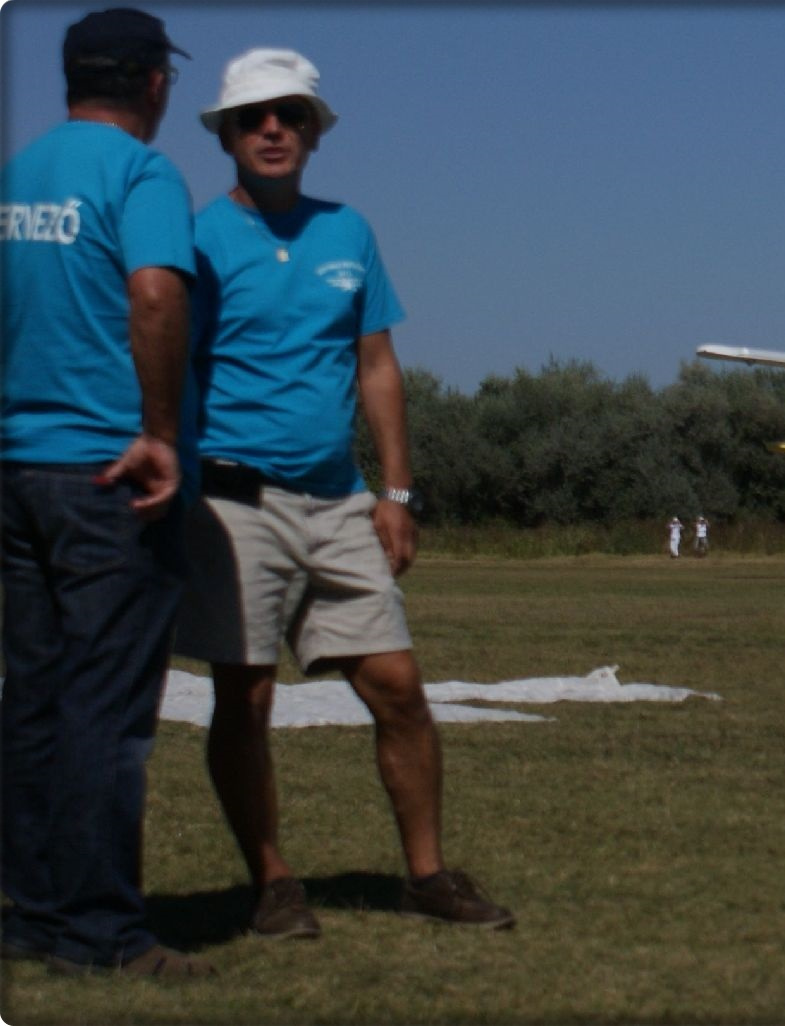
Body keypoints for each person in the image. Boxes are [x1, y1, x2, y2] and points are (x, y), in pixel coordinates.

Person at [174, 47, 513, 939]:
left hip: (340, 501)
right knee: (244, 698)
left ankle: (428, 876)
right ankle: (275, 883)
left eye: (290, 114)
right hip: (234, 501)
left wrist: (395, 489)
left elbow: (377, 365)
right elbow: (168, 363)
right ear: (228, 137)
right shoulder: (199, 240)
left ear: (316, 131)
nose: (273, 129)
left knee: (398, 685)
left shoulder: (349, 232)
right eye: (253, 118)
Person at [0, 8, 213, 978]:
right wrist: (161, 436)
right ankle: (104, 929)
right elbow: (158, 294)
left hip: (19, 468)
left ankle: (34, 911)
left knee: (33, 697)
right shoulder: (141, 174)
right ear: (155, 84)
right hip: (106, 474)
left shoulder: (21, 175)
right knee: (107, 708)